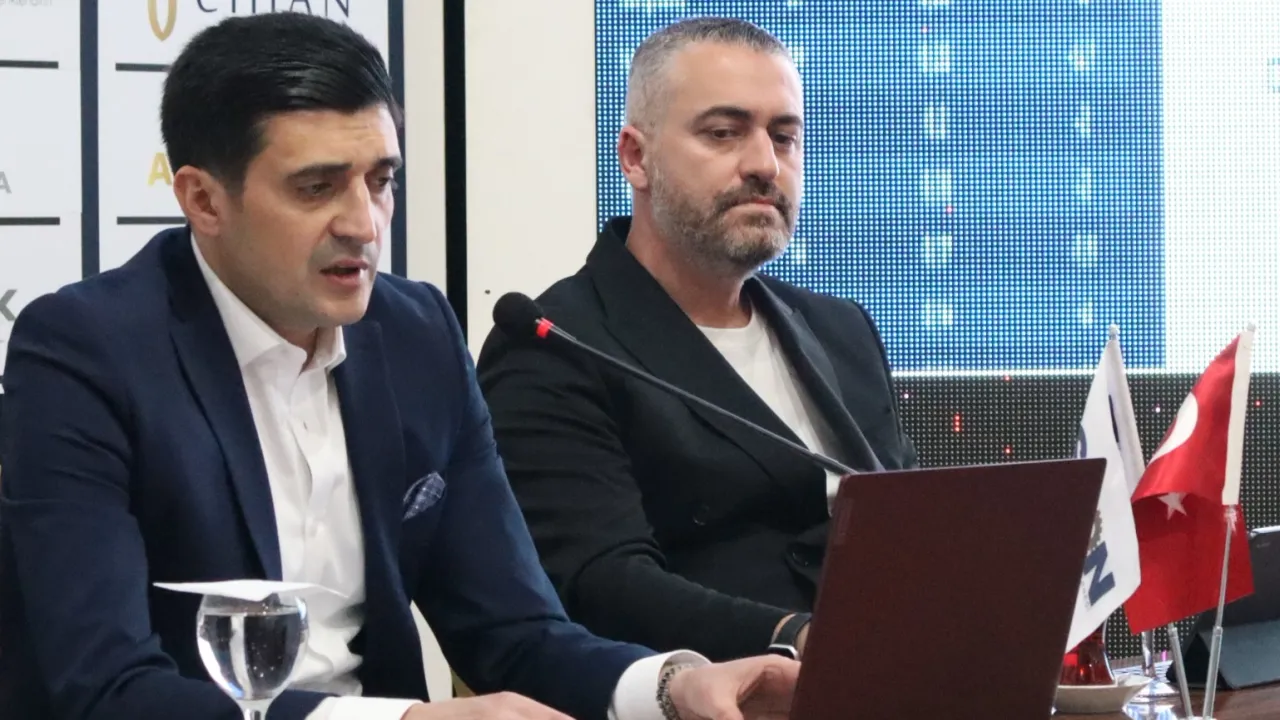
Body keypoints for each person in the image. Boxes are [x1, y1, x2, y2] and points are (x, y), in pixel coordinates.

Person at [0, 13, 800, 720]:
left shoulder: (414, 333)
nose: (364, 223)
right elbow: (107, 689)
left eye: (381, 181)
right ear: (203, 200)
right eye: (317, 188)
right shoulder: (87, 352)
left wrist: (669, 686)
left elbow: (514, 631)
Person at [476, 17, 919, 664]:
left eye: (784, 137)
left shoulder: (841, 329)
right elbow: (600, 581)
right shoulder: (554, 344)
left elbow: (908, 529)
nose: (765, 165)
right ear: (636, 158)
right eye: (723, 133)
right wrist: (798, 638)